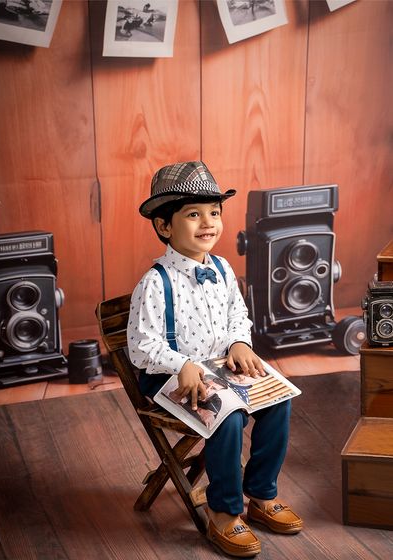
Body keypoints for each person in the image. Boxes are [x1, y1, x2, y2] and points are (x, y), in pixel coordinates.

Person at [127, 161, 302, 557]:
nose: (208, 222)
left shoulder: (221, 268)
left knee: (278, 401)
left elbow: (237, 316)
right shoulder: (156, 282)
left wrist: (240, 342)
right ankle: (224, 511)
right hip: (168, 376)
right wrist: (181, 365)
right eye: (194, 214)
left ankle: (260, 492)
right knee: (229, 415)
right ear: (164, 226)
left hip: (220, 364)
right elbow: (141, 346)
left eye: (214, 212)